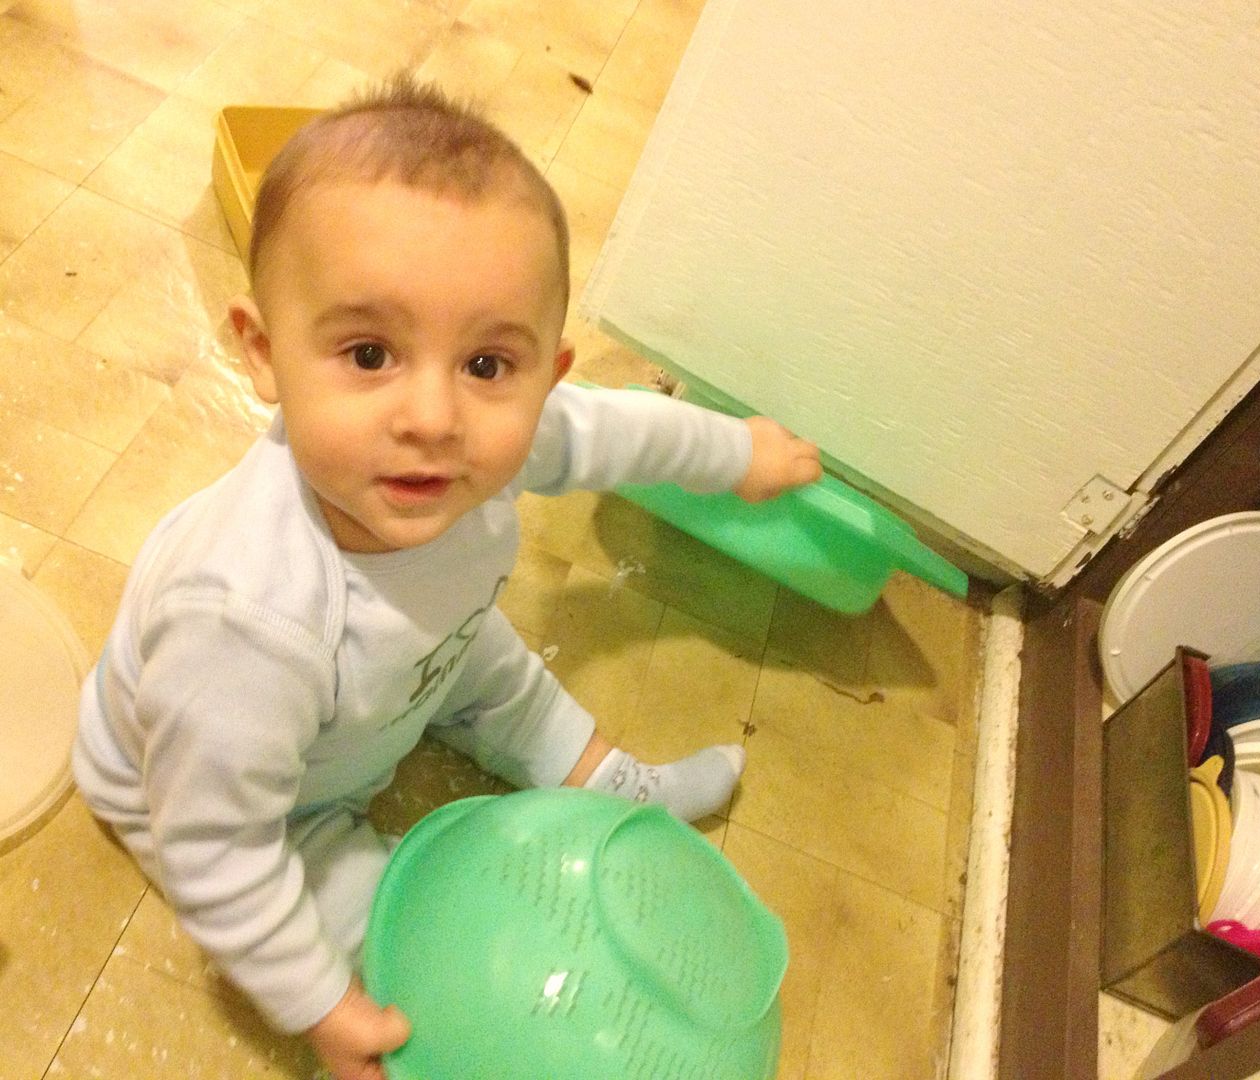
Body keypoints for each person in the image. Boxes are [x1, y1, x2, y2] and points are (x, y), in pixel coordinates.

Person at [72, 74, 822, 1080]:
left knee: (499, 673)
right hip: (260, 802)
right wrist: (320, 1003)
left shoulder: (486, 440)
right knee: (411, 952)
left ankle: (614, 787)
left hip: (413, 654)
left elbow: (617, 430)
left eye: (486, 366)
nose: (432, 417)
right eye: (368, 353)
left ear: (546, 374)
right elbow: (219, 851)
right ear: (263, 352)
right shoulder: (246, 623)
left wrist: (737, 455)